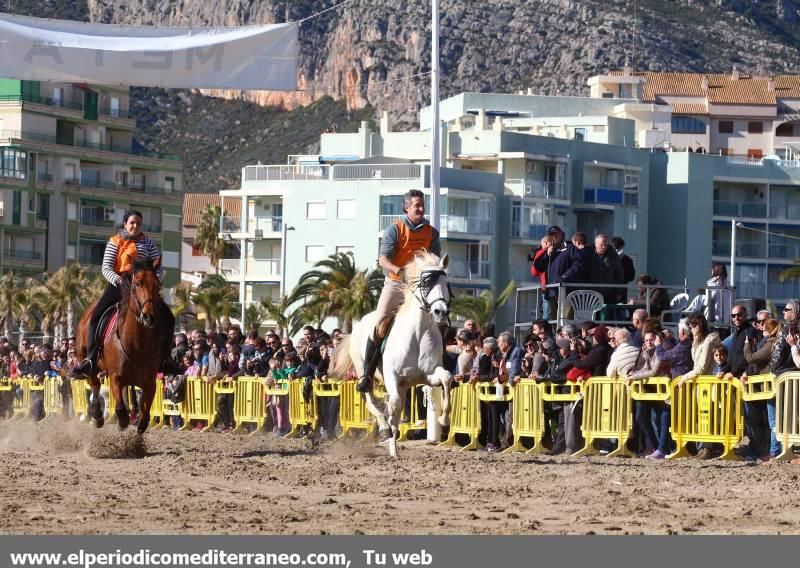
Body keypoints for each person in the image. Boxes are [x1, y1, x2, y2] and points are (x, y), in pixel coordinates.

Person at [71, 210, 176, 378]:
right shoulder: (115, 241)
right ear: (125, 224)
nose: (135, 226)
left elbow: (159, 267)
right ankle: (90, 359)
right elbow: (106, 268)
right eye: (132, 223)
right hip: (119, 284)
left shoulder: (148, 243)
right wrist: (119, 281)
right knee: (96, 316)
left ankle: (166, 359)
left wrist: (154, 279)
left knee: (169, 317)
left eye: (138, 223)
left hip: (143, 288)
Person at [357, 189, 441, 393]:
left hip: (420, 285)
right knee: (379, 323)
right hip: (396, 283)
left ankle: (440, 363)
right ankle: (367, 374)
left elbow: (436, 259)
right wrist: (399, 271)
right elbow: (383, 259)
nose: (421, 209)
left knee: (440, 318)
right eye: (416, 206)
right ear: (406, 208)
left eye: (422, 205)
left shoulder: (431, 232)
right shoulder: (395, 229)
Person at [676, 313, 721, 460]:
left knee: (706, 416)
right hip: (701, 383)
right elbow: (696, 362)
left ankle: (707, 448)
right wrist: (695, 342)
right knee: (701, 417)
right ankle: (702, 448)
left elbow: (701, 367)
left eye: (693, 325)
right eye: (690, 326)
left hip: (708, 382)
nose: (691, 328)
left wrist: (684, 377)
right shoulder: (699, 341)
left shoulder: (709, 341)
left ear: (700, 326)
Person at [532, 226, 583, 319]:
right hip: (551, 292)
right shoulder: (547, 251)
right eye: (552, 235)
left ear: (562, 235)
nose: (554, 236)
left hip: (567, 291)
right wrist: (546, 254)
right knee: (552, 321)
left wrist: (564, 277)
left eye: (556, 234)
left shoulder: (570, 248)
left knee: (567, 320)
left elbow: (578, 265)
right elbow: (537, 268)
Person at [590, 234, 624, 304]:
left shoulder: (613, 256)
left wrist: (618, 292)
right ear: (595, 244)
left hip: (608, 293)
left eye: (606, 245)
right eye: (601, 245)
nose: (604, 247)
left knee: (607, 313)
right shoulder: (588, 254)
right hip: (591, 293)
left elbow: (619, 274)